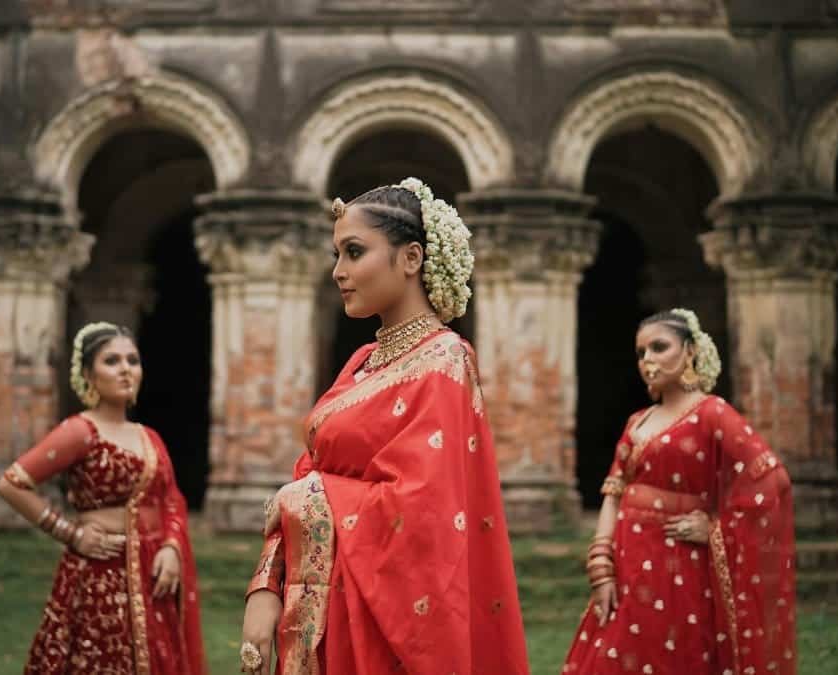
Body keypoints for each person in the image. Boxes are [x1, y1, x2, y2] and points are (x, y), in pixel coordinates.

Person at [238, 178, 530, 674]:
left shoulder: (445, 361)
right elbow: (311, 471)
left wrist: (302, 497)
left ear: (411, 258)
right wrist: (265, 586)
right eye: (337, 255)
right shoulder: (362, 362)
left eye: (354, 252)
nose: (338, 272)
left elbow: (422, 513)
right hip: (314, 609)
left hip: (375, 627)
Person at [561, 309, 797, 674]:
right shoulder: (637, 421)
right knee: (615, 654)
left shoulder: (712, 413)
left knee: (677, 654)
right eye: (641, 353)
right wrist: (601, 565)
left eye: (659, 347)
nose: (648, 360)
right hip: (628, 564)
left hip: (681, 567)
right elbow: (614, 493)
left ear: (689, 351)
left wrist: (718, 527)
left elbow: (770, 479)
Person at [0, 322, 205, 674]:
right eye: (112, 361)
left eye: (132, 360)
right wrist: (70, 533)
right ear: (88, 375)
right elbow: (12, 484)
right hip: (100, 575)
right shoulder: (80, 431)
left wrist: (171, 547)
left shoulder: (148, 436)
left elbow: (171, 499)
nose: (126, 369)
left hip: (153, 576)